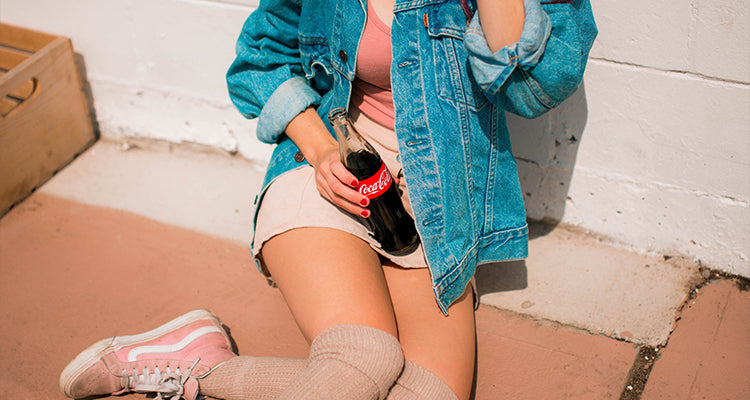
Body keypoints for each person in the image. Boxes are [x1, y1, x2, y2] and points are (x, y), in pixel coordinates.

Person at [59, 0, 596, 399]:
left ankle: (201, 365)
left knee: (423, 395)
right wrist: (320, 151)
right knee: (362, 358)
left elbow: (531, 88)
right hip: (335, 169)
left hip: (439, 203)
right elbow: (259, 60)